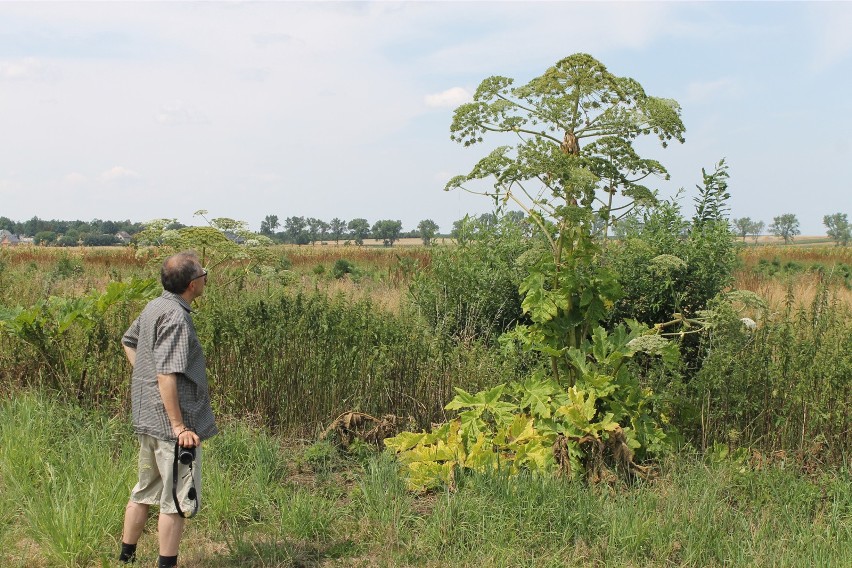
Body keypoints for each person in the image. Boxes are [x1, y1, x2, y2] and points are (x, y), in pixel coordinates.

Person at [118, 252, 217, 567]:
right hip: (170, 427)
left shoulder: (155, 306)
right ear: (192, 284)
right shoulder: (176, 317)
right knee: (176, 500)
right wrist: (179, 427)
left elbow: (128, 341)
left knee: (144, 490)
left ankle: (126, 558)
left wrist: (143, 376)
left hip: (147, 417)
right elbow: (166, 374)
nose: (206, 278)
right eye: (204, 274)